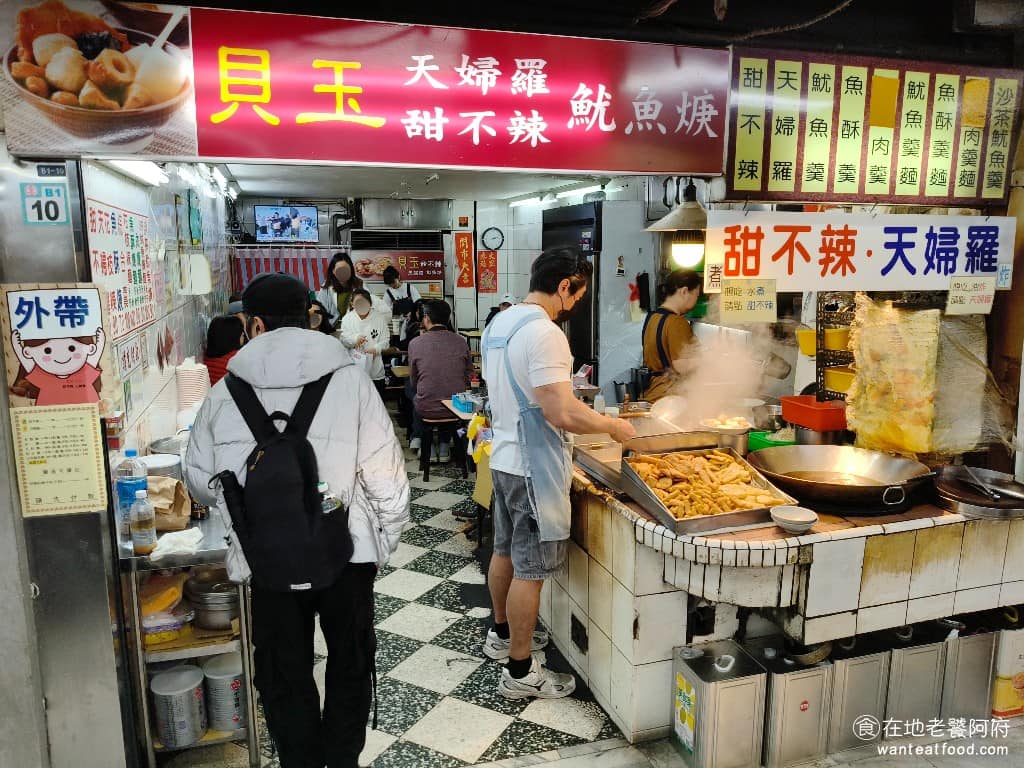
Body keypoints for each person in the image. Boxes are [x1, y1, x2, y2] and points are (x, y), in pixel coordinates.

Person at [183, 272, 409, 768]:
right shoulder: (349, 379)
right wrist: (379, 546)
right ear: (310, 315)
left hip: (267, 558)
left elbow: (198, 480)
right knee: (350, 662)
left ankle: (300, 760)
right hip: (346, 554)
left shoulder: (225, 392)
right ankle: (341, 758)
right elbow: (388, 479)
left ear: (254, 324)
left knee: (284, 670)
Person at [481, 245, 636, 699]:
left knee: (505, 551)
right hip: (533, 467)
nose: (575, 306)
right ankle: (520, 671)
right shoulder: (546, 333)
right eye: (577, 296)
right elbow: (561, 411)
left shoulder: (501, 321)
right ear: (564, 286)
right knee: (531, 569)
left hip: (504, 458)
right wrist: (612, 426)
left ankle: (502, 634)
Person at [407, 300, 473, 461]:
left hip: (427, 407)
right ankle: (444, 446)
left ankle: (427, 446)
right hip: (457, 407)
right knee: (447, 397)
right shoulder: (461, 341)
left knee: (417, 396)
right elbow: (468, 375)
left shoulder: (415, 343)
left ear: (427, 318)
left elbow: (414, 380)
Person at [641, 269, 702, 403]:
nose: (696, 301)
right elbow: (681, 366)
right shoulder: (677, 322)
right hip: (671, 398)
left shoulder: (652, 317)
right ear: (684, 291)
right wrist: (709, 359)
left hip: (652, 393)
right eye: (696, 295)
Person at [340, 289, 390, 396]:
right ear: (352, 304)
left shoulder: (379, 318)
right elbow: (343, 339)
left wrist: (376, 349)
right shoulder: (347, 319)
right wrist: (355, 339)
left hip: (375, 372)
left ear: (370, 304)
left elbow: (386, 341)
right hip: (354, 371)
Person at [317, 253, 363, 328]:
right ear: (333, 271)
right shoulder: (326, 288)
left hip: (355, 331)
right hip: (332, 330)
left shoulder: (360, 285)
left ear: (351, 270)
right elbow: (319, 311)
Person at [381, 265, 421, 339]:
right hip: (397, 325)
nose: (392, 285)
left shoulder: (410, 288)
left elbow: (419, 304)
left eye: (393, 282)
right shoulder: (388, 293)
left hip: (413, 325)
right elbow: (385, 310)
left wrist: (412, 313)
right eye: (389, 284)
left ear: (398, 277)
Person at [203, 315, 245, 387]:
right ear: (233, 338)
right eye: (241, 334)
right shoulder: (237, 359)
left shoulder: (205, 358)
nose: (243, 335)